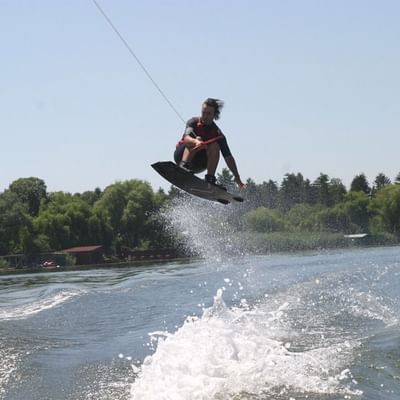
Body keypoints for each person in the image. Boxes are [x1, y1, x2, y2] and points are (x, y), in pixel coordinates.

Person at [174, 98, 245, 189]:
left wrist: (237, 177)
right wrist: (197, 141)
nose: (205, 116)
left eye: (209, 113)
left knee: (215, 146)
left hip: (199, 164)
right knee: (197, 138)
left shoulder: (218, 133)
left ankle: (210, 179)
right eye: (203, 112)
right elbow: (186, 138)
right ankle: (183, 167)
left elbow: (228, 158)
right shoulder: (193, 122)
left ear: (214, 115)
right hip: (181, 156)